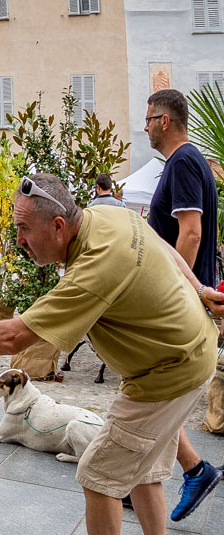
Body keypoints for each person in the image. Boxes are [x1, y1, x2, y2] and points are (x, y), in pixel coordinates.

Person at [0, 173, 224, 535]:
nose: (19, 239)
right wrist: (200, 289)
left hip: (167, 375)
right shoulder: (109, 215)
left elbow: (12, 338)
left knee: (98, 475)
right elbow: (162, 243)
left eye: (24, 228)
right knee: (140, 470)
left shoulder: (92, 271)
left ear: (58, 226)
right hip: (192, 352)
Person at [140, 88, 223, 522]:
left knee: (149, 389)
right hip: (185, 298)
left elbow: (190, 233)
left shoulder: (184, 161)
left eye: (148, 119)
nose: (145, 127)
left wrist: (171, 290)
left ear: (165, 121)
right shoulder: (187, 162)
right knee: (151, 390)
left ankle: (191, 470)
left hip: (179, 300)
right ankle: (161, 476)